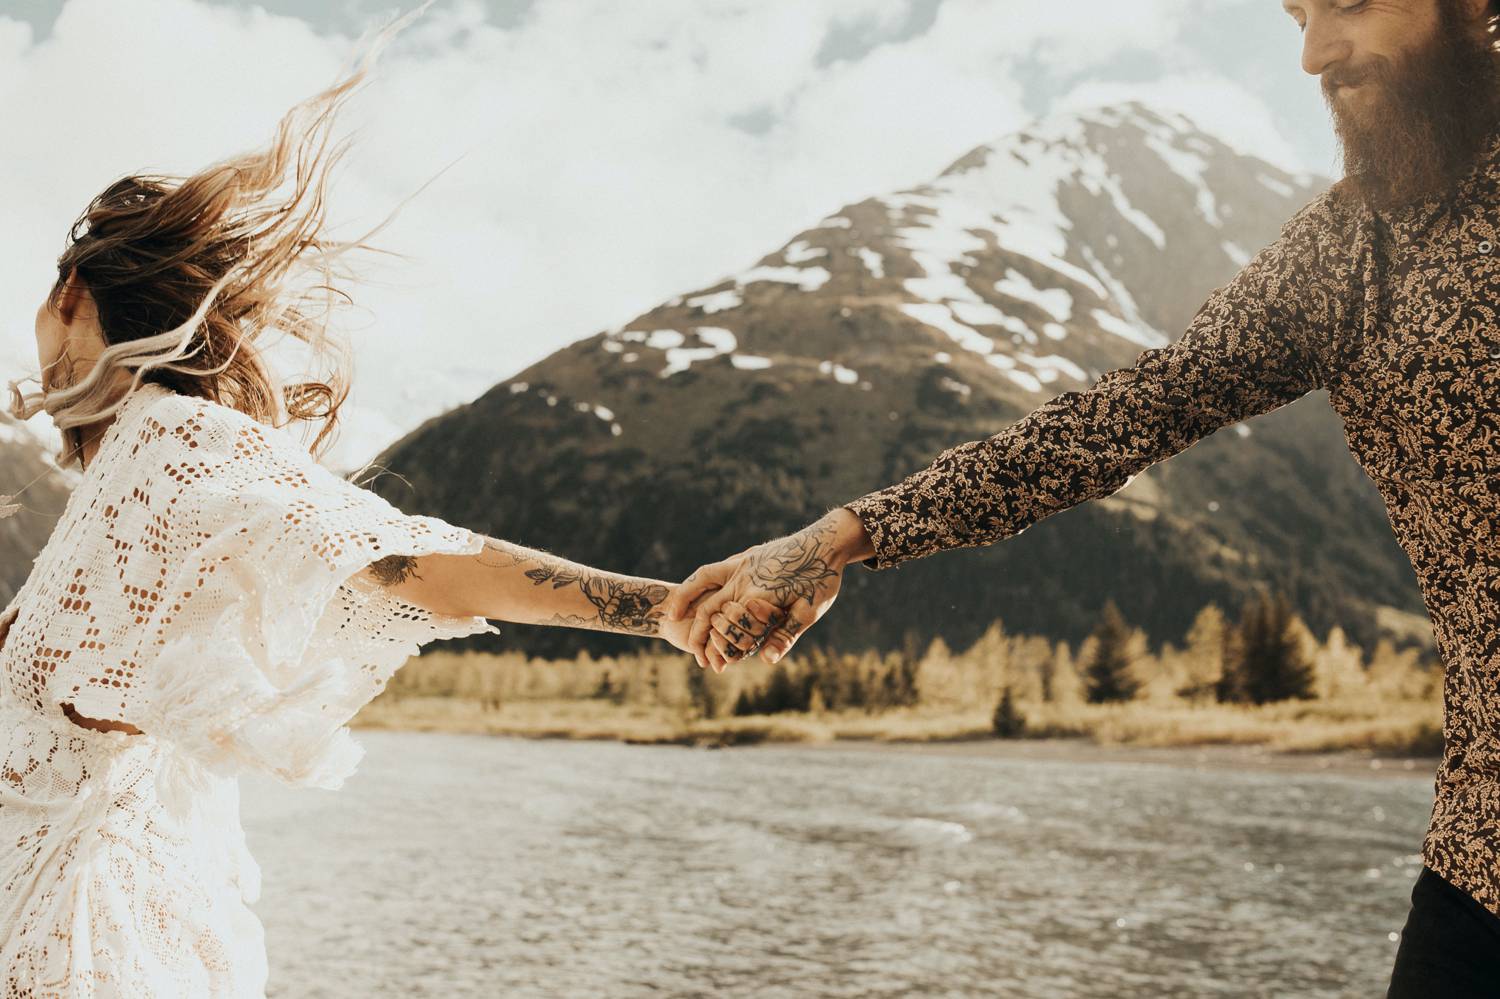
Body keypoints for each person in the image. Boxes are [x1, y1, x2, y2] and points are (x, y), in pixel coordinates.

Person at [667, 0, 1500, 994]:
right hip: (1481, 871)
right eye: (1297, 12)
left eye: (1350, 3)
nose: (1315, 52)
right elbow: (1120, 419)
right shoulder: (1352, 251)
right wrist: (844, 534)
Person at [0, 7, 699, 995]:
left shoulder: (174, 446)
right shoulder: (127, 490)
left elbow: (416, 568)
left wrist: (663, 608)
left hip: (85, 957)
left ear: (73, 296)